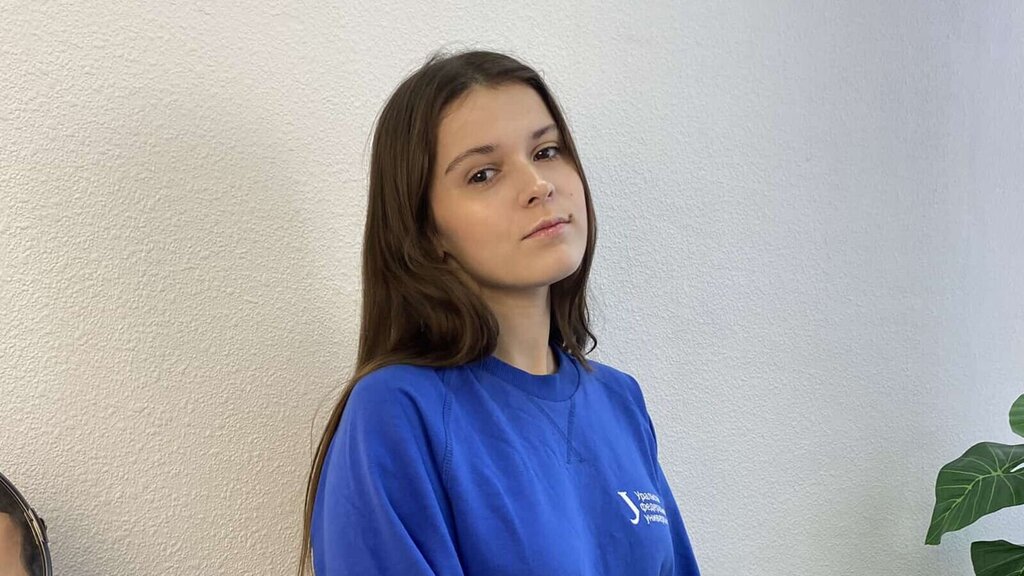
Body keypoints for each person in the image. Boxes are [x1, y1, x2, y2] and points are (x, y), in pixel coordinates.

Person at [297, 48, 701, 576]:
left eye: (547, 151)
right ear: (427, 232)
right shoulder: (397, 413)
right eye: (483, 174)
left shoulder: (620, 401)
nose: (538, 185)